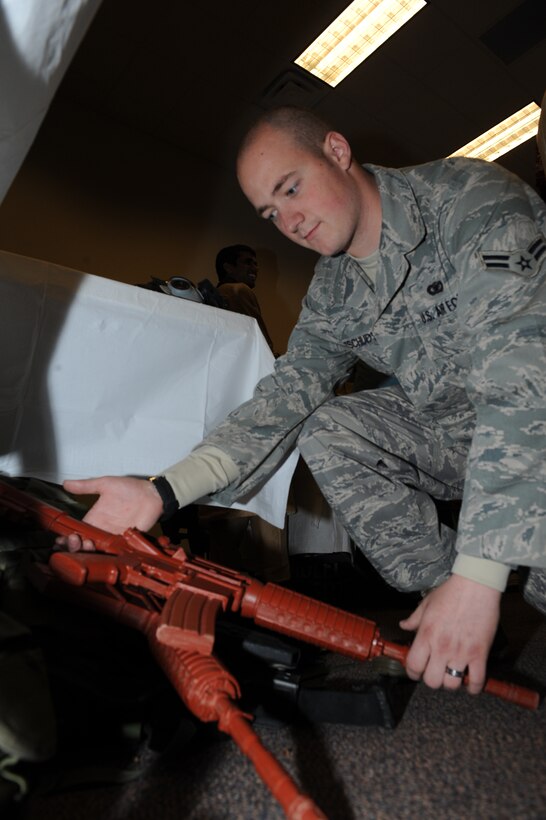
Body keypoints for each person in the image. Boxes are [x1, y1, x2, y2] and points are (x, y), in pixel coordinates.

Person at [62, 105, 546, 699]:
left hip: (533, 423)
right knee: (329, 426)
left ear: (337, 152)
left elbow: (522, 379)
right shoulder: (334, 291)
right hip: (457, 436)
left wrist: (482, 572)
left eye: (291, 188)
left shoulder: (471, 199)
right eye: (270, 213)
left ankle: (476, 586)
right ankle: (446, 601)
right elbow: (285, 396)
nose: (289, 221)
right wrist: (160, 492)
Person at [215, 244, 276, 352]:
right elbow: (262, 342)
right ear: (228, 268)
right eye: (248, 263)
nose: (255, 268)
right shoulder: (238, 290)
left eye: (255, 264)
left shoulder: (219, 292)